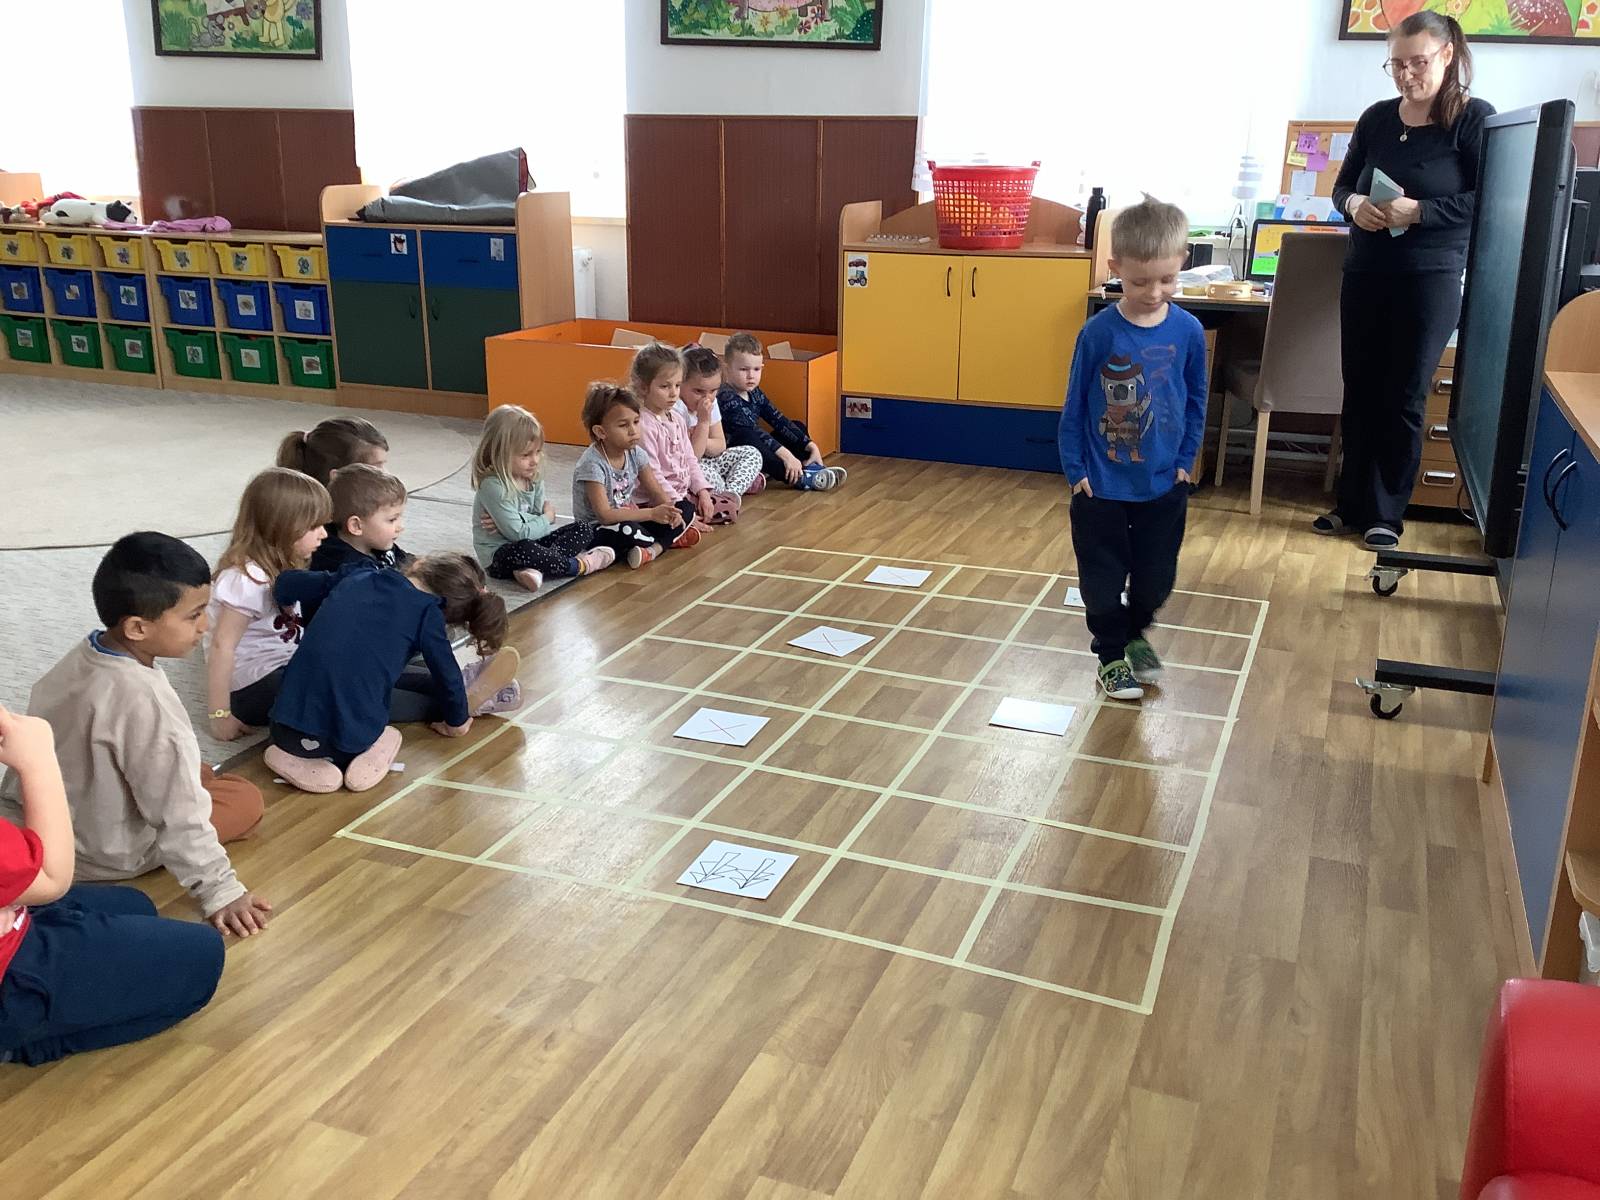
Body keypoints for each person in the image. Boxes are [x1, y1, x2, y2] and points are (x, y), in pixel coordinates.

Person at [0, 533, 271, 936]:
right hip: (101, 852)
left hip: (36, 820)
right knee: (244, 799)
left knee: (188, 769)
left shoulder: (83, 654)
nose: (206, 625)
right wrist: (222, 890)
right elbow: (179, 817)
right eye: (194, 615)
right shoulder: (147, 703)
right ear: (138, 628)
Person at [1324, 11, 1493, 550]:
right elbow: (1341, 186)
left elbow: (1487, 199)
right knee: (1359, 389)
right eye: (1396, 64)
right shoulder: (1376, 118)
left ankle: (1385, 514)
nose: (1405, 74)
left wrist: (1419, 211)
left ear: (1447, 55)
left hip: (1430, 277)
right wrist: (1355, 205)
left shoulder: (1473, 119)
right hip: (1365, 271)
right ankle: (1350, 505)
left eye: (1417, 62)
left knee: (1404, 395)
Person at [0, 705, 226, 1066]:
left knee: (137, 904)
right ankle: (22, 1042)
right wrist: (38, 761)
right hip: (11, 973)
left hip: (18, 914)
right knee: (206, 954)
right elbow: (53, 878)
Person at [1058, 198, 1207, 701]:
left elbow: (1196, 400)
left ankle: (1134, 632)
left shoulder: (1188, 331)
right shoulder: (1098, 333)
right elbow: (1075, 402)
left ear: (1182, 261)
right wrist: (1075, 468)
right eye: (1140, 282)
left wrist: (1186, 460)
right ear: (1116, 268)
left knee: (1155, 581)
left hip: (1164, 484)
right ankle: (1111, 655)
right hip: (1100, 486)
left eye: (1166, 279)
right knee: (1101, 581)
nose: (1154, 292)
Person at [265, 555, 519, 794]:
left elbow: (286, 582)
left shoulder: (358, 573)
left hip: (285, 729)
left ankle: (293, 758)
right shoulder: (427, 613)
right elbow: (447, 675)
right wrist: (456, 723)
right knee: (391, 696)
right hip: (354, 741)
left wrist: (286, 601)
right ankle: (468, 700)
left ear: (419, 563)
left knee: (367, 677)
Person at [205, 467, 331, 740]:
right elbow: (221, 646)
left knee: (351, 672)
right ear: (281, 526)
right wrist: (219, 715)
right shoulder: (247, 578)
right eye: (314, 526)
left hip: (285, 665)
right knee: (340, 693)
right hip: (253, 687)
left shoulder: (282, 565)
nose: (323, 534)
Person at [471, 404, 628, 592]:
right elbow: (521, 533)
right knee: (525, 548)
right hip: (500, 555)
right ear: (500, 453)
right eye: (526, 455)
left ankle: (536, 567)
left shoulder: (533, 477)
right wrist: (546, 517)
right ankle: (578, 565)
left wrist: (515, 521)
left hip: (533, 541)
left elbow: (533, 524)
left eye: (537, 452)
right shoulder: (493, 486)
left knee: (583, 528)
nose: (535, 460)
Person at [571, 382, 696, 562]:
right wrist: (652, 514)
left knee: (685, 508)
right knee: (628, 531)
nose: (633, 431)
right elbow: (605, 515)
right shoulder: (592, 465)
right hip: (598, 530)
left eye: (636, 422)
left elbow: (656, 491)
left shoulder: (636, 453)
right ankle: (666, 540)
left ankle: (652, 550)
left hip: (630, 518)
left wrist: (670, 511)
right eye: (623, 425)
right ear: (601, 432)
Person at [631, 342, 741, 527]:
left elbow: (690, 459)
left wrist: (703, 492)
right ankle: (681, 525)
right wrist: (680, 509)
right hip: (656, 500)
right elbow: (654, 478)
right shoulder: (644, 425)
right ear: (643, 387)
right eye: (665, 386)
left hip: (682, 494)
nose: (673, 393)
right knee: (677, 521)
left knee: (728, 509)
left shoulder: (676, 418)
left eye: (677, 385)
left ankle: (688, 517)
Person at [718, 333, 847, 490]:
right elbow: (754, 431)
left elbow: (777, 419)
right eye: (744, 369)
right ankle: (799, 477)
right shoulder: (726, 396)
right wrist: (787, 456)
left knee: (796, 425)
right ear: (727, 369)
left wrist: (810, 445)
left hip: (759, 447)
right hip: (736, 454)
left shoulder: (754, 392)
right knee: (747, 436)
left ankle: (809, 465)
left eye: (756, 369)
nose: (751, 375)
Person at [304, 463, 410, 622]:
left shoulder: (377, 544)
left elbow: (405, 561)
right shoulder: (343, 569)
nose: (401, 527)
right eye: (392, 520)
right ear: (356, 526)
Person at [677, 344, 765, 497]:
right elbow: (694, 457)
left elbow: (720, 445)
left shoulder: (711, 402)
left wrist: (699, 437)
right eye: (698, 391)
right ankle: (734, 485)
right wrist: (703, 423)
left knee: (752, 454)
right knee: (710, 478)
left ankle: (730, 494)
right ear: (680, 384)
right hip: (687, 467)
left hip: (709, 461)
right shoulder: (676, 408)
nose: (707, 397)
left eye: (713, 391)